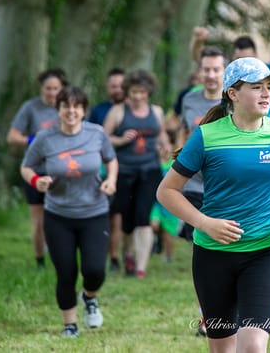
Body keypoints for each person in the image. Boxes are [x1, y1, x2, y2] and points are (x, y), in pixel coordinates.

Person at [156, 57, 270, 353]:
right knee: (222, 349)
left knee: (252, 346)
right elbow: (167, 191)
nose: (266, 94)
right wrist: (204, 223)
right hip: (213, 254)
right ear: (232, 94)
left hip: (264, 249)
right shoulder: (207, 136)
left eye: (268, 87)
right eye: (256, 87)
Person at [20, 86, 118, 338]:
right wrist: (35, 181)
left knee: (95, 270)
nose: (71, 111)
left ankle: (89, 297)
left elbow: (111, 159)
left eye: (76, 106)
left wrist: (111, 180)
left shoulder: (96, 134)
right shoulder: (45, 138)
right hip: (58, 215)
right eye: (66, 106)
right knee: (66, 272)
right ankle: (70, 325)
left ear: (83, 110)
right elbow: (26, 167)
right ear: (59, 109)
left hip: (94, 212)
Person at [176, 45, 228, 337]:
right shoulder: (189, 100)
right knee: (204, 251)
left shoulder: (234, 100)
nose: (210, 75)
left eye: (216, 69)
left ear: (224, 72)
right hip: (196, 187)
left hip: (228, 188)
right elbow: (186, 133)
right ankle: (207, 314)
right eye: (206, 69)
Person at [103, 70, 171, 279]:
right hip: (124, 171)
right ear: (127, 92)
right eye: (134, 92)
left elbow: (161, 133)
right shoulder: (118, 111)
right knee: (127, 220)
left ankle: (141, 267)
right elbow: (103, 138)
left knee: (144, 217)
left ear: (148, 92)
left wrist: (166, 145)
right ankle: (128, 253)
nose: (138, 96)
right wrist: (121, 140)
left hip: (150, 170)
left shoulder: (156, 112)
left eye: (142, 92)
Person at [7, 68, 68, 269]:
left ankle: (60, 257)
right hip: (35, 170)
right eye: (47, 88)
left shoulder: (69, 108)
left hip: (61, 171)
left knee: (61, 218)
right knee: (39, 221)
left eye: (55, 88)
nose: (51, 93)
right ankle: (40, 260)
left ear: (62, 89)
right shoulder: (30, 108)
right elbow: (12, 136)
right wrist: (33, 139)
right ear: (41, 88)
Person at [87, 67, 127, 272]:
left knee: (119, 217)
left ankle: (115, 256)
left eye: (121, 85)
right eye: (113, 86)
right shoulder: (98, 110)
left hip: (127, 171)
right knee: (104, 214)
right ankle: (99, 254)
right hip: (101, 170)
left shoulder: (134, 109)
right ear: (107, 87)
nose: (117, 89)